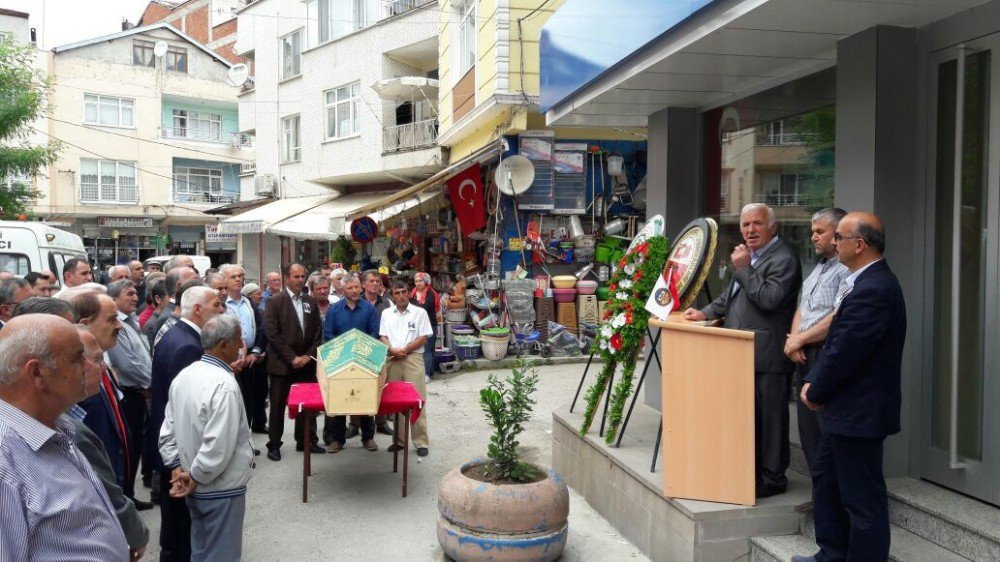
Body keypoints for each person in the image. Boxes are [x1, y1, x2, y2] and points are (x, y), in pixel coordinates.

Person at [793, 213, 906, 562]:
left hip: (859, 414)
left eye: (839, 237)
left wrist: (816, 388)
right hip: (844, 413)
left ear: (860, 244)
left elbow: (846, 352)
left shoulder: (875, 289)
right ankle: (831, 554)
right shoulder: (864, 282)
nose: (834, 243)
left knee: (862, 500)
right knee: (827, 479)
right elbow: (840, 345)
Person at [682, 203, 802, 498]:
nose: (750, 230)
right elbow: (732, 296)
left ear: (773, 227)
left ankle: (773, 478)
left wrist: (745, 269)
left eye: (757, 224)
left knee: (771, 421)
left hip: (768, 354)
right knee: (751, 418)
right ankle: (753, 472)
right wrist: (706, 312)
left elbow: (769, 299)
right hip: (742, 354)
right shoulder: (751, 259)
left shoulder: (783, 258)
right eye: (746, 224)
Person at [0, 315, 131, 562]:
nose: (91, 367)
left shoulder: (56, 426)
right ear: (37, 372)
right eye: (76, 358)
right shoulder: (5, 462)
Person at [159, 315, 254, 562]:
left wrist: (179, 468)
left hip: (194, 481)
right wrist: (194, 475)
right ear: (223, 345)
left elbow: (167, 431)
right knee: (221, 555)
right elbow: (218, 446)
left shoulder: (185, 375)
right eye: (237, 339)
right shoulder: (224, 384)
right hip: (218, 487)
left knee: (200, 551)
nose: (242, 344)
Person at [150, 285, 224, 562]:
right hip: (180, 451)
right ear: (197, 309)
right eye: (216, 305)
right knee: (180, 526)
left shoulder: (177, 334)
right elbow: (190, 411)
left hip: (173, 447)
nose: (220, 310)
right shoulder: (188, 347)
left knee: (176, 523)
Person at [68, 325, 150, 559]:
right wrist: (134, 532)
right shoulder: (72, 430)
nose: (103, 367)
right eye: (97, 359)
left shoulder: (65, 422)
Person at [783, 208, 850, 476]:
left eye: (819, 232)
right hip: (803, 354)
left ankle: (831, 502)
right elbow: (802, 307)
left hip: (823, 354)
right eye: (813, 232)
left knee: (825, 429)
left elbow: (837, 317)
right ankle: (819, 495)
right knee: (808, 430)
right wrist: (795, 341)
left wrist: (799, 339)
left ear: (838, 233)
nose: (813, 238)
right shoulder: (817, 269)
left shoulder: (847, 271)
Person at [264, 263, 323, 461]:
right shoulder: (274, 302)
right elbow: (272, 334)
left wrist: (307, 356)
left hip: (306, 363)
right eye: (296, 277)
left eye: (302, 276)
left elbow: (317, 333)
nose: (300, 280)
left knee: (306, 405)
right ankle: (274, 444)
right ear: (286, 278)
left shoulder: (310, 301)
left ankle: (305, 440)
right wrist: (292, 358)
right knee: (278, 406)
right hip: (282, 364)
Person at [106, 279, 154, 506]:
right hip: (130, 392)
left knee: (134, 447)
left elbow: (143, 355)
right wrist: (148, 384)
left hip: (140, 390)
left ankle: (129, 495)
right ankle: (125, 498)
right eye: (129, 294)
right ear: (114, 298)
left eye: (136, 293)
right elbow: (127, 364)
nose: (136, 297)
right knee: (128, 448)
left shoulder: (132, 320)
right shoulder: (116, 324)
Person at [322, 273, 379, 453]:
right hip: (341, 361)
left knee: (366, 397)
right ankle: (338, 440)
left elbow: (375, 332)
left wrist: (360, 350)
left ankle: (368, 437)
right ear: (342, 290)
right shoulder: (334, 309)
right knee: (340, 399)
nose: (354, 290)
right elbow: (329, 334)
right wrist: (346, 351)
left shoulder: (369, 309)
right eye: (350, 288)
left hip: (365, 359)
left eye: (356, 287)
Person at [380, 279, 433, 457]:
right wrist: (392, 350)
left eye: (403, 292)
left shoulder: (419, 312)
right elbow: (383, 337)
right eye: (397, 293)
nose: (401, 296)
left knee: (417, 400)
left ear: (408, 292)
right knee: (396, 402)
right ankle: (399, 441)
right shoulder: (387, 314)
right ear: (392, 295)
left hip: (413, 358)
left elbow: (423, 337)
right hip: (393, 359)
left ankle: (420, 442)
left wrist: (405, 350)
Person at [221, 264, 267, 436]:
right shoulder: (220, 304)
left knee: (248, 402)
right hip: (228, 362)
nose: (239, 279)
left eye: (241, 275)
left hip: (248, 361)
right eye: (233, 276)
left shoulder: (248, 302)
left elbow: (262, 328)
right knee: (232, 406)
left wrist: (255, 352)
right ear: (224, 279)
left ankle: (245, 441)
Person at [362, 269, 393, 436]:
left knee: (381, 386)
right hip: (360, 349)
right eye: (371, 281)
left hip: (380, 350)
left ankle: (381, 422)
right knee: (359, 386)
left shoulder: (387, 303)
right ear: (363, 284)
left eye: (377, 281)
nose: (375, 284)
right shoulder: (356, 300)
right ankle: (355, 424)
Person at [146, 266, 198, 350]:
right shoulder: (168, 317)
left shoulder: (178, 310)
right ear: (179, 286)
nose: (200, 284)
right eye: (194, 281)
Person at [241, 282, 268, 434]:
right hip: (237, 358)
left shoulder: (249, 305)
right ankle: (245, 433)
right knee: (244, 396)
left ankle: (259, 423)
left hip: (256, 355)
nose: (261, 296)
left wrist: (258, 351)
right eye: (258, 293)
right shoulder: (225, 305)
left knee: (260, 391)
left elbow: (261, 328)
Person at [410, 272, 440, 382]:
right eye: (416, 281)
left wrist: (415, 306)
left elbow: (426, 306)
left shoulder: (430, 293)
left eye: (420, 281)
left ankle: (427, 374)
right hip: (418, 325)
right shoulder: (413, 293)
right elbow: (411, 306)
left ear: (425, 281)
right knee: (425, 350)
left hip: (430, 324)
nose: (418, 283)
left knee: (427, 349)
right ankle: (430, 371)